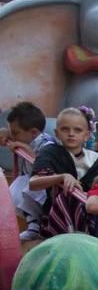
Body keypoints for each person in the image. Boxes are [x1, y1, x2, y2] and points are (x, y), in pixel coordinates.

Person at [28, 107, 98, 237]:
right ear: (57, 133)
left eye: (77, 130)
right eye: (65, 129)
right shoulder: (50, 152)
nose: (71, 134)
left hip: (91, 219)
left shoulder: (97, 159)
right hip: (56, 217)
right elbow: (33, 183)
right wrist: (61, 177)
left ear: (87, 135)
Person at [2, 101, 55, 241]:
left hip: (48, 191)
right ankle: (33, 225)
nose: (12, 137)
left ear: (33, 132)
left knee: (27, 184)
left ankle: (37, 225)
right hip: (32, 186)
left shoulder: (47, 144)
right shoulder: (27, 138)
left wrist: (27, 151)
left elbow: (43, 169)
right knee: (18, 185)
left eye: (15, 133)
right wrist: (6, 133)